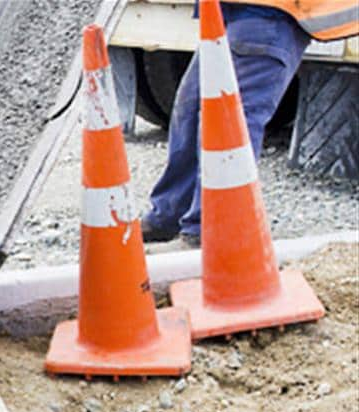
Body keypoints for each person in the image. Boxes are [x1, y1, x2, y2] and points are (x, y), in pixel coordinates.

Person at [141, 0, 357, 250]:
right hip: (239, 11)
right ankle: (169, 216)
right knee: (191, 112)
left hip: (269, 12)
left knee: (228, 123)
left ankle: (209, 233)